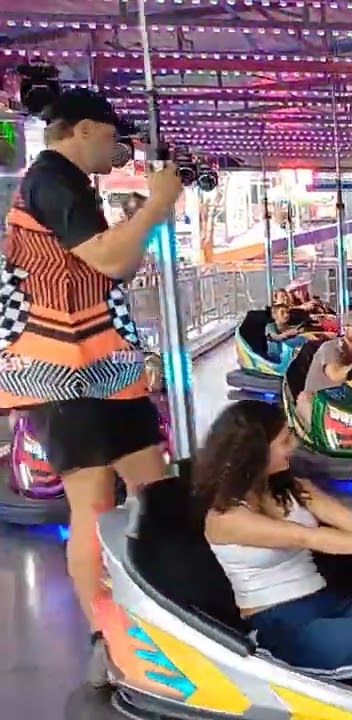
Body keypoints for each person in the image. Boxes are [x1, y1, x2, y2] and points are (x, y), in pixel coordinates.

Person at [0, 88, 183, 684]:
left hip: (102, 361)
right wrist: (154, 207)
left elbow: (120, 264)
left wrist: (146, 215)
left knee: (155, 489)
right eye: (112, 135)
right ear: (81, 130)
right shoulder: (51, 178)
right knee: (93, 502)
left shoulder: (73, 185)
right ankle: (104, 627)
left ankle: (171, 601)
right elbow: (109, 260)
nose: (121, 147)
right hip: (57, 363)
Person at [196, 400, 352, 698]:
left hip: (328, 604)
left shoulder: (292, 487)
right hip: (281, 627)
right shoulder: (225, 518)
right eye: (285, 440)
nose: (294, 446)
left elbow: (350, 519)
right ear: (255, 452)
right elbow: (305, 537)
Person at [297, 309, 352, 426]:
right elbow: (336, 375)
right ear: (345, 329)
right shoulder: (331, 348)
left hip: (348, 403)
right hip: (320, 402)